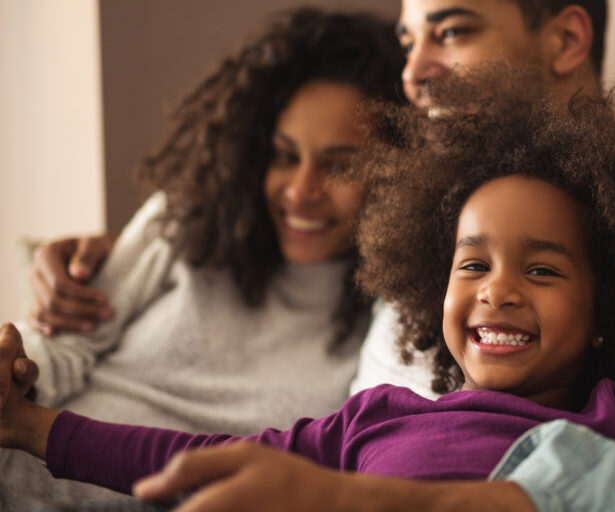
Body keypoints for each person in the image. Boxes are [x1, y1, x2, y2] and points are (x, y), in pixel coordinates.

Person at [0, 53, 615, 511]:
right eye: (472, 264)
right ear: (433, 285)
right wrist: (28, 425)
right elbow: (191, 456)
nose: (498, 289)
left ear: (607, 310)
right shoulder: (368, 418)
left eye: (542, 269)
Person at [0, 7, 407, 510]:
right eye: (284, 156)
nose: (301, 190)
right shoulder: (187, 225)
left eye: (340, 166)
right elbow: (61, 350)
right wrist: (15, 366)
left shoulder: (390, 329)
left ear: (397, 178)